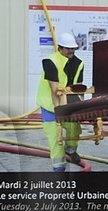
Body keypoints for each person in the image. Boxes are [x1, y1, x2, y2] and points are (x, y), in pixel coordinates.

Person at [36, 31, 89, 171]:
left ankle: (71, 150)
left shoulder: (79, 63)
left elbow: (79, 87)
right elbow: (54, 90)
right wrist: (58, 111)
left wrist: (80, 108)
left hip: (68, 103)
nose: (71, 51)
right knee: (55, 136)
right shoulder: (50, 61)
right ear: (60, 47)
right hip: (50, 105)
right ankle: (59, 169)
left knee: (74, 129)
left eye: (73, 48)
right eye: (68, 48)